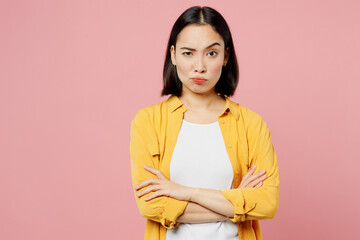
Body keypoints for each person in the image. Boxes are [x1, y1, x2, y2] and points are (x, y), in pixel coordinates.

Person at [130, 5, 279, 240]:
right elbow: (151, 207)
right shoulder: (148, 122)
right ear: (173, 55)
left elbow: (267, 204)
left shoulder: (251, 124)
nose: (199, 66)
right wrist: (236, 199)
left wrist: (184, 192)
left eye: (211, 53)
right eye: (188, 53)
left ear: (225, 56)